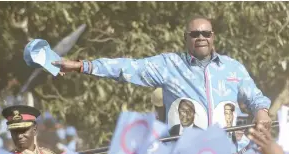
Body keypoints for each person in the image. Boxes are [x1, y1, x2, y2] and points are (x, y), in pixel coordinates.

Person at [53, 15, 272, 130]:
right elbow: (127, 67)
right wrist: (82, 66)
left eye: (206, 33)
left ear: (213, 37)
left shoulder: (232, 67)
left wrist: (262, 111)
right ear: (186, 38)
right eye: (195, 34)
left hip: (228, 153)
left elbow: (255, 97)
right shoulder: (170, 65)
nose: (201, 37)